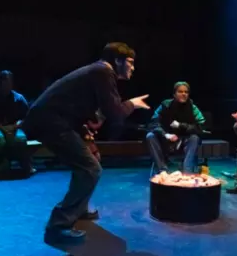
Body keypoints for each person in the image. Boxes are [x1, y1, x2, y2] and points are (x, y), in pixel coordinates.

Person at [22, 42, 150, 242]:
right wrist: (132, 104)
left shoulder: (99, 72)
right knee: (90, 168)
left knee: (92, 157)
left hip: (57, 120)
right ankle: (59, 224)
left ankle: (79, 209)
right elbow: (116, 114)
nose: (133, 68)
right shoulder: (103, 71)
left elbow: (89, 108)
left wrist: (88, 123)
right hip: (50, 122)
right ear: (117, 60)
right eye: (130, 62)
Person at [146, 81, 205, 174]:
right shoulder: (165, 105)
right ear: (174, 94)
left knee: (194, 138)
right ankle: (163, 170)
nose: (183, 94)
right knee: (150, 136)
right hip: (165, 140)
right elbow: (153, 123)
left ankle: (187, 172)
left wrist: (181, 125)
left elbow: (200, 126)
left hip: (183, 141)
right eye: (180, 91)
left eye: (186, 92)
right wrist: (165, 134)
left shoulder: (193, 108)